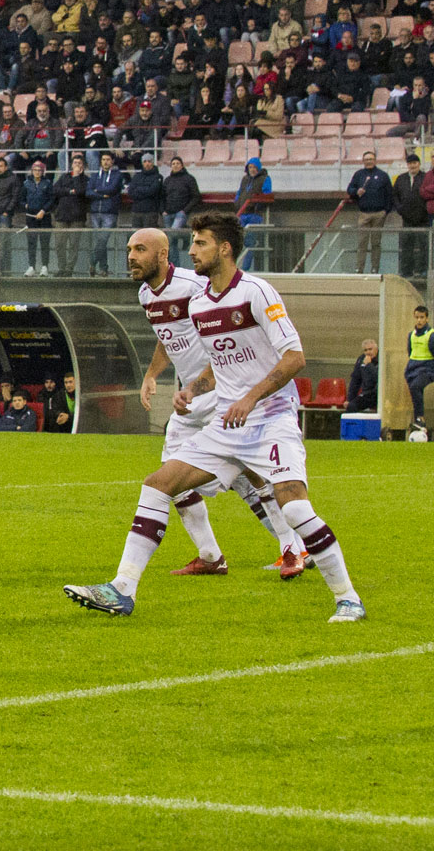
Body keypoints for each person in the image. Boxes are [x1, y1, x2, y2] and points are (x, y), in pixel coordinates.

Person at [68, 213, 363, 622]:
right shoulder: (201, 303)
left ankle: (348, 598)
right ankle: (122, 589)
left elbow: (295, 357)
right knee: (157, 485)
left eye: (200, 243)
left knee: (295, 508)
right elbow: (216, 363)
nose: (191, 251)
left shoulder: (256, 292)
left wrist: (249, 398)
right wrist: (193, 388)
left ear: (224, 249)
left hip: (272, 418)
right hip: (227, 423)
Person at [122, 225, 307, 584]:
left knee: (251, 471)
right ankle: (212, 555)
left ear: (163, 254)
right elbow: (167, 338)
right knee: (172, 478)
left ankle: (292, 547)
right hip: (192, 397)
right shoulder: (146, 294)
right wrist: (152, 375)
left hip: (221, 391)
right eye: (130, 249)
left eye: (140, 249)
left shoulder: (194, 286)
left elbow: (228, 331)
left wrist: (217, 382)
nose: (131, 256)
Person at [346, 151, 391, 274]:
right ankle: (359, 269)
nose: (369, 161)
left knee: (376, 243)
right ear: (363, 161)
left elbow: (389, 194)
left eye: (371, 159)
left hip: (379, 214)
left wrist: (385, 211)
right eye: (366, 159)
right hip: (364, 214)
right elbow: (349, 189)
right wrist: (356, 192)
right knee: (362, 242)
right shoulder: (358, 174)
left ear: (375, 160)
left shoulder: (383, 175)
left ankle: (375, 268)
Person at [407, 305, 433, 429]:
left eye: (422, 317)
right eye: (417, 317)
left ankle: (420, 418)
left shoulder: (431, 335)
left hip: (427, 370)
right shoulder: (411, 335)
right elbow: (410, 352)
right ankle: (418, 421)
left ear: (427, 319)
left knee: (415, 387)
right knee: (415, 392)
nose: (419, 320)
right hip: (412, 369)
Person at [344, 339, 380, 414]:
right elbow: (355, 381)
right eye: (365, 350)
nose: (368, 352)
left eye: (370, 349)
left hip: (380, 393)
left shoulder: (382, 359)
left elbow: (378, 378)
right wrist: (349, 399)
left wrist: (369, 365)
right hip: (367, 394)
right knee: (351, 406)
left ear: (376, 349)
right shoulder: (361, 359)